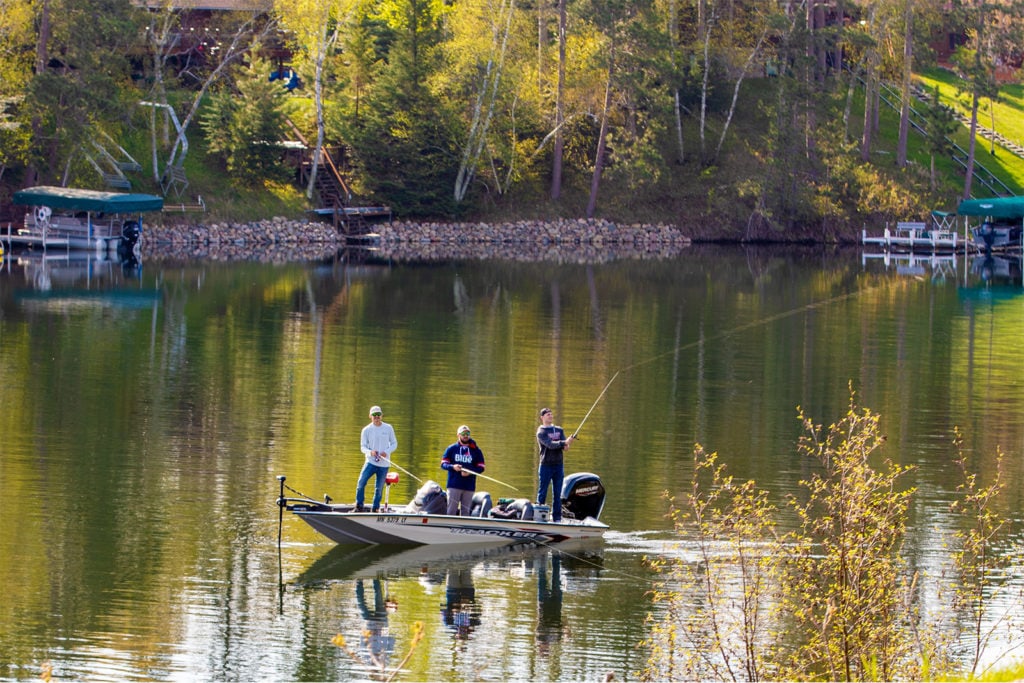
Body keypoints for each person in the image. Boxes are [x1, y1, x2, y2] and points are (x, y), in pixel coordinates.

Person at [356, 405, 397, 512]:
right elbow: (362, 447)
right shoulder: (366, 430)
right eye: (374, 415)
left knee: (378, 489)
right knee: (361, 483)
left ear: (382, 415)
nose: (376, 417)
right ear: (370, 416)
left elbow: (394, 443)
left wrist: (386, 452)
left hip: (384, 465)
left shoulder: (388, 428)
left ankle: (375, 509)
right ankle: (359, 506)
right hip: (370, 462)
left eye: (378, 414)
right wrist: (370, 452)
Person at [536, 408, 574, 523]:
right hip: (545, 466)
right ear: (542, 418)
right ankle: (538, 517)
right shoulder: (541, 432)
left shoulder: (559, 430)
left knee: (557, 494)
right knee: (542, 492)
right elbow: (550, 445)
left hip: (558, 466)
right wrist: (564, 442)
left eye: (551, 414)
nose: (550, 416)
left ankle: (557, 518)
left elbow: (565, 448)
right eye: (548, 415)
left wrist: (568, 443)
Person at [441, 425, 486, 515]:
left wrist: (470, 472)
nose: (466, 435)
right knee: (451, 511)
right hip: (454, 486)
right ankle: (449, 528)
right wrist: (453, 467)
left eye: (467, 433)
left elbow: (481, 467)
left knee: (465, 512)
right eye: (463, 433)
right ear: (458, 435)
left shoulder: (476, 450)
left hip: (469, 487)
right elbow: (443, 464)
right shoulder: (451, 449)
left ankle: (463, 529)